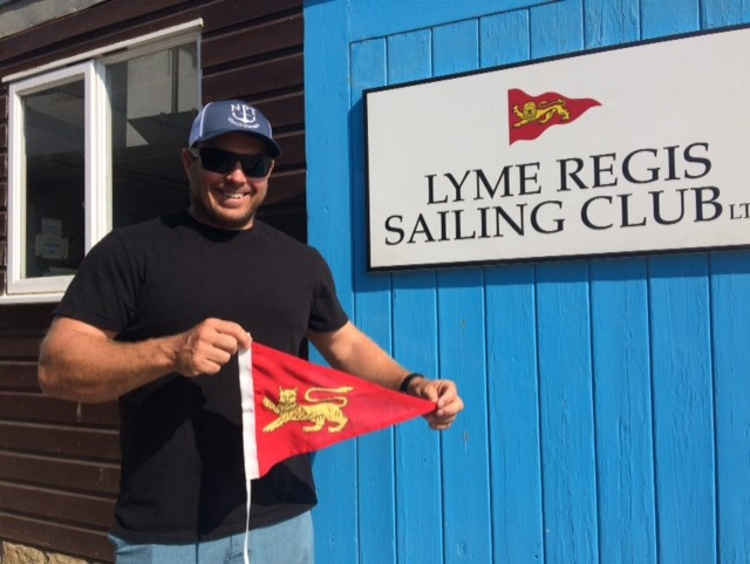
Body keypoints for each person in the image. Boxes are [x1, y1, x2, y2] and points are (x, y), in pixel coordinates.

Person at [37, 100, 464, 564]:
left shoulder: (301, 263)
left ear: (270, 170)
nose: (237, 177)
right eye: (220, 159)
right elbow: (56, 367)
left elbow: (345, 344)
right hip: (168, 536)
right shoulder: (130, 252)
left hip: (282, 521)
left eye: (254, 164)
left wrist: (412, 385)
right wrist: (171, 352)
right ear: (189, 162)